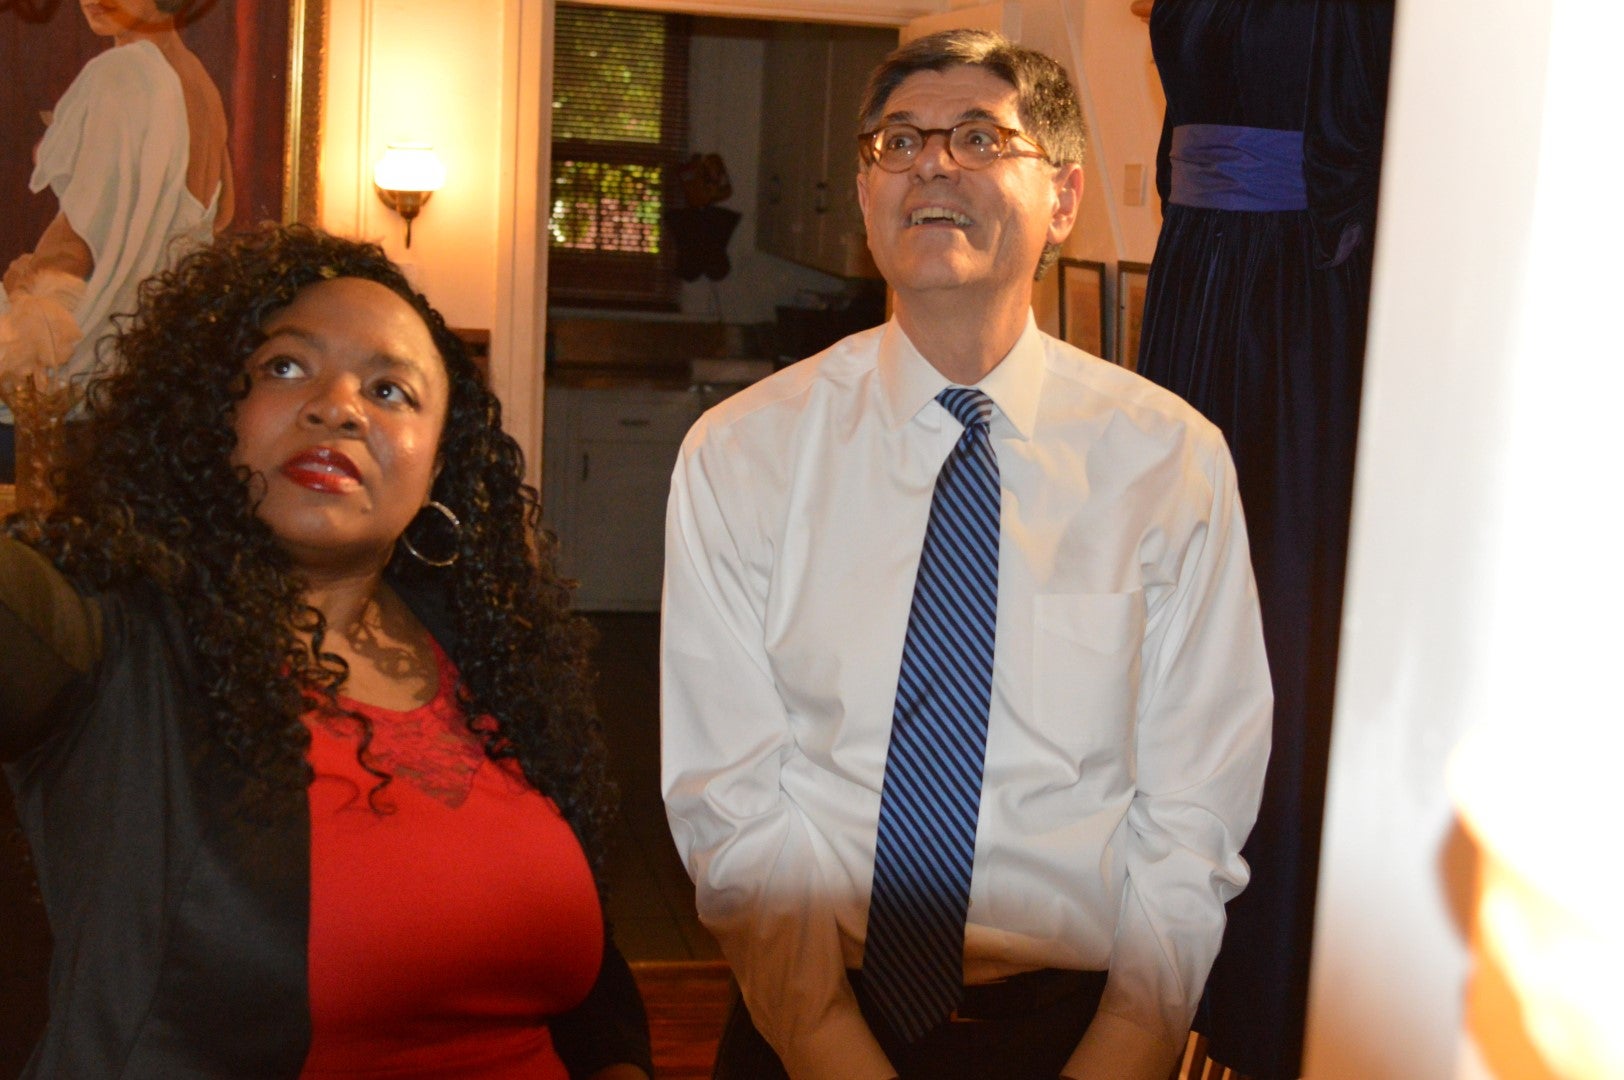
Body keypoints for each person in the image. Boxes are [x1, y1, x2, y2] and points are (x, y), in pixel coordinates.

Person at [661, 28, 1272, 1080]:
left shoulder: (1170, 461)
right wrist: (823, 1044)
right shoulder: (744, 454)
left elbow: (1193, 809)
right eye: (896, 141)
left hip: (1072, 1034)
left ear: (1065, 198)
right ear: (864, 193)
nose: (932, 164)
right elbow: (731, 798)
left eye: (982, 139)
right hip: (805, 1018)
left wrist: (1130, 1043)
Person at [0, 224, 652, 1079]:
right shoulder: (106, 627)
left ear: (436, 470)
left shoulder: (495, 658)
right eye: (285, 366)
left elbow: (589, 994)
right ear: (208, 410)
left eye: (391, 391)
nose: (339, 405)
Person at [1132, 4, 1393, 1076]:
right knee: (1165, 631)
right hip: (1195, 290)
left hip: (1297, 310)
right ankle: (1155, 978)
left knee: (1279, 635)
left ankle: (1261, 997)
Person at [0, 0, 233, 480]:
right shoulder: (200, 84)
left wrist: (27, 292)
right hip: (132, 391)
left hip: (63, 387)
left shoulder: (121, 72)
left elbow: (75, 249)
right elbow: (216, 220)